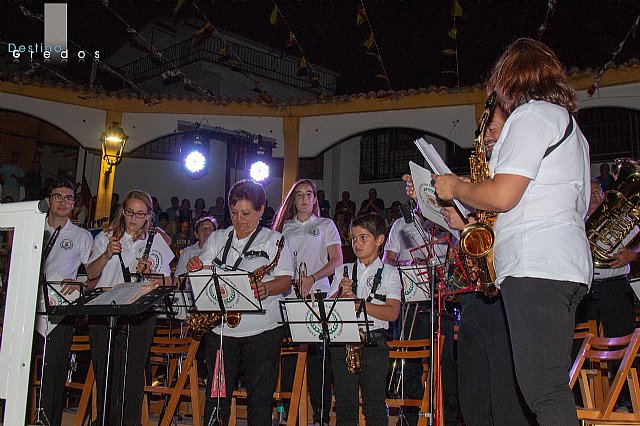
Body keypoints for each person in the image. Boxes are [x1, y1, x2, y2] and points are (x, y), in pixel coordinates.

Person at [433, 38, 592, 425]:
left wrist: (455, 188)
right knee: (548, 386)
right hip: (565, 267)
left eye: (494, 86)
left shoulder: (531, 115)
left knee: (543, 391)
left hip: (536, 266)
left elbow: (503, 195)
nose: (492, 98)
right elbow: (578, 205)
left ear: (510, 79)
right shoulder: (571, 129)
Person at [410, 104, 534, 426]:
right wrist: (441, 208)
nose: (489, 135)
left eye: (495, 128)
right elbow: (475, 228)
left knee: (503, 388)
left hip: (506, 286)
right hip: (475, 288)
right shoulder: (480, 176)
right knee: (473, 386)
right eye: (485, 130)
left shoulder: (514, 173)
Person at [186, 179, 293, 425]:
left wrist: (265, 287)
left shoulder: (274, 240)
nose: (239, 219)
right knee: (217, 395)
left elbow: (285, 280)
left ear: (261, 211)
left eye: (246, 213)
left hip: (263, 329)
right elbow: (204, 271)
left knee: (259, 398)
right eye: (234, 213)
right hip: (220, 329)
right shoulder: (217, 238)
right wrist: (196, 268)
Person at [86, 190, 173, 425]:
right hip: (105, 311)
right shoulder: (105, 236)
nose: (134, 218)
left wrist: (150, 273)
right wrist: (105, 255)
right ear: (122, 211)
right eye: (130, 212)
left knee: (133, 374)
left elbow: (168, 281)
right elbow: (91, 274)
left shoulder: (155, 241)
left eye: (140, 213)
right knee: (106, 373)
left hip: (139, 313)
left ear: (148, 216)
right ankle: (105, 420)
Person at [272, 179, 343, 424]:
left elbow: (336, 260)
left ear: (315, 199)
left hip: (317, 295)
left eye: (309, 194)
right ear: (293, 200)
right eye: (299, 194)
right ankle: (291, 413)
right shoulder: (283, 229)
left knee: (316, 360)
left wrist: (312, 278)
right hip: (288, 297)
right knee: (290, 357)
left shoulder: (326, 225)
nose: (304, 199)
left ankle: (320, 415)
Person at [382, 207, 460, 426]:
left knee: (444, 363)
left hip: (440, 299)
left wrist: (447, 267)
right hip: (409, 301)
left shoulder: (446, 219)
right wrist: (404, 268)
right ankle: (409, 418)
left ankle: (448, 417)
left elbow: (456, 256)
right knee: (408, 360)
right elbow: (388, 258)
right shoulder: (401, 224)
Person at [328, 213, 401, 426]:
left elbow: (392, 312)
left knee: (374, 406)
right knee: (345, 406)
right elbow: (328, 310)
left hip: (374, 343)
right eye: (353, 238)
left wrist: (360, 304)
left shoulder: (389, 272)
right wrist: (339, 295)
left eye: (363, 238)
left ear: (380, 240)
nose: (357, 244)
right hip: (343, 343)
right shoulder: (344, 270)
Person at [36, 180, 93, 426]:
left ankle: (49, 420)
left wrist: (80, 285)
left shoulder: (81, 235)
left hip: (60, 309)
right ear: (48, 200)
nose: (63, 202)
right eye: (57, 196)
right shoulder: (35, 228)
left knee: (55, 372)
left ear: (73, 204)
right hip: (30, 305)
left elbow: (93, 273)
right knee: (21, 368)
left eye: (68, 198)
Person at [173, 216, 217, 285]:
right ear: (196, 234)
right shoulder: (187, 252)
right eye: (203, 229)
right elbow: (178, 280)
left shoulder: (221, 252)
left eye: (210, 229)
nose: (207, 231)